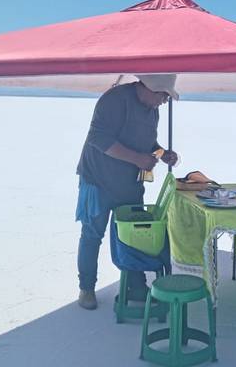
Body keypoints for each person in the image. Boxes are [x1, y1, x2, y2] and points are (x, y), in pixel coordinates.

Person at [74, 74, 180, 310]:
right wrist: (138, 159)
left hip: (129, 185)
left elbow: (147, 143)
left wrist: (162, 154)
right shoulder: (114, 100)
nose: (164, 100)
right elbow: (98, 138)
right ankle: (87, 288)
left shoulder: (153, 108)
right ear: (150, 87)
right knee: (92, 235)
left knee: (134, 236)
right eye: (163, 94)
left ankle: (136, 286)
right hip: (98, 181)